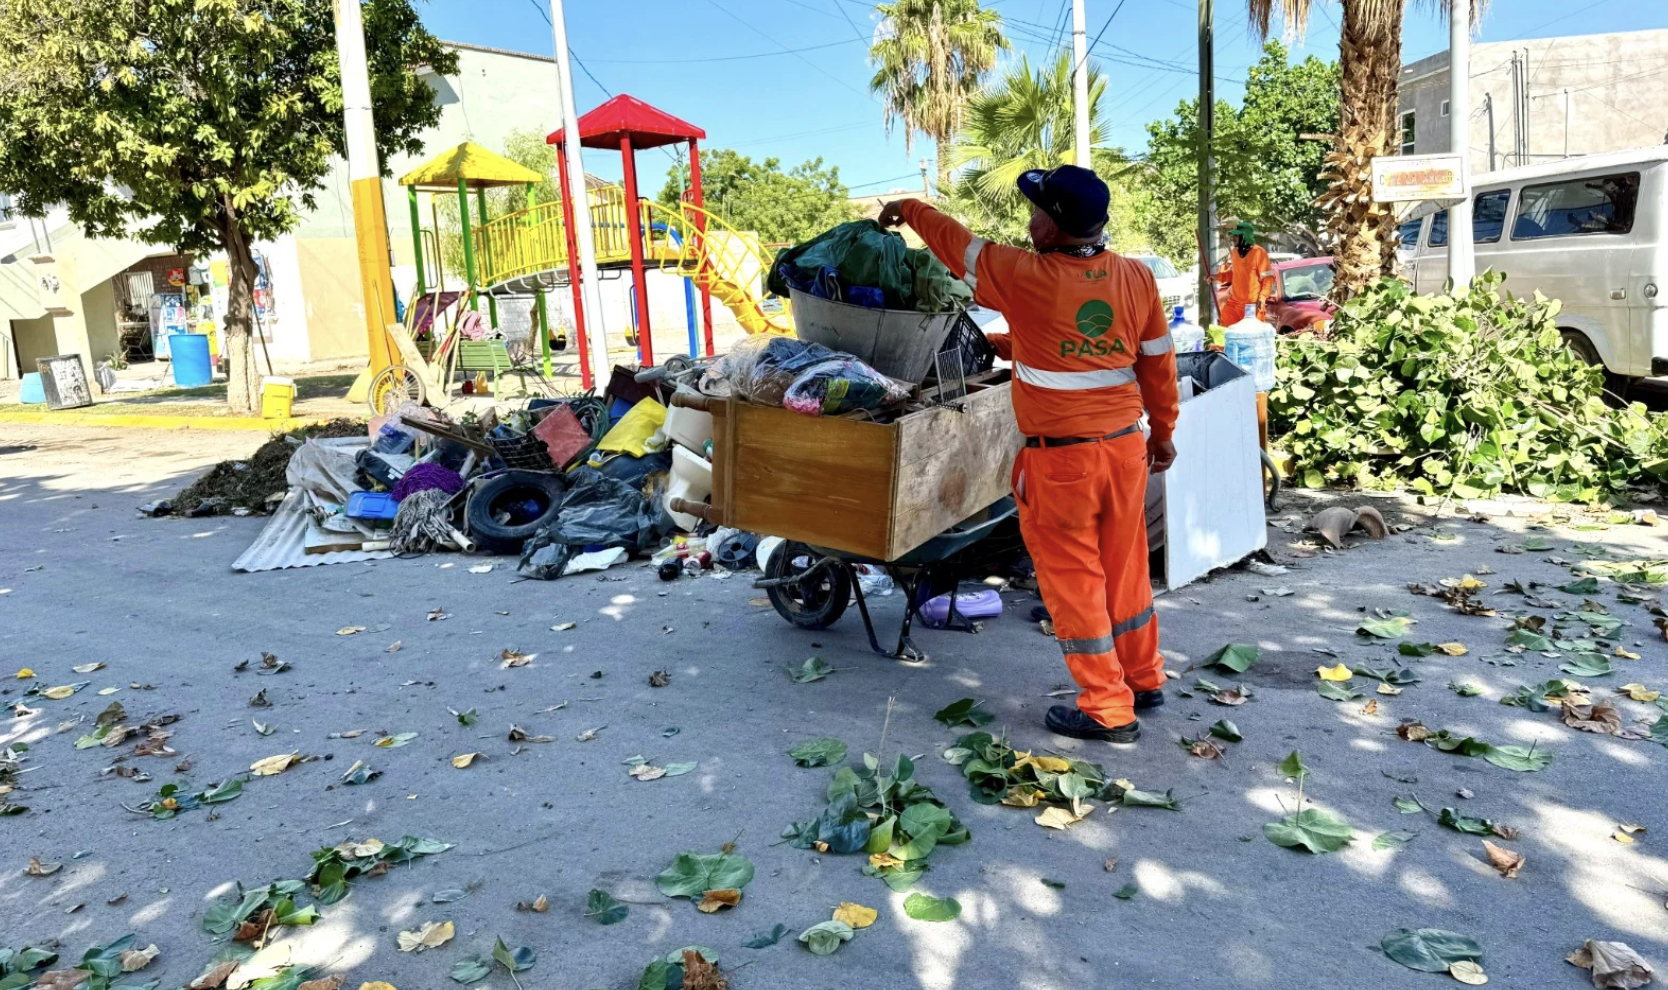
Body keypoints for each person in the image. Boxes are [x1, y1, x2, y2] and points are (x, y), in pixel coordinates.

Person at [879, 165, 1179, 743]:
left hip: (1063, 464)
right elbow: (1153, 362)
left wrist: (910, 207)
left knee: (1074, 581)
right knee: (1126, 569)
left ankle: (1107, 708)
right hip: (1125, 451)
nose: (1030, 220)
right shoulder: (1136, 277)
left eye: (1037, 211)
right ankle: (1143, 677)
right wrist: (1163, 432)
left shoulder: (1022, 275)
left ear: (1055, 225)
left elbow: (957, 246)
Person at [1214, 220, 1275, 322]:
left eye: (1237, 236)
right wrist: (1215, 277)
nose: (1233, 238)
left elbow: (1268, 280)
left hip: (1252, 305)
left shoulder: (1259, 253)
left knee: (1250, 332)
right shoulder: (1234, 252)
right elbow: (1233, 275)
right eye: (1234, 235)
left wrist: (1262, 298)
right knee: (1226, 328)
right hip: (1234, 304)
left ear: (1245, 237)